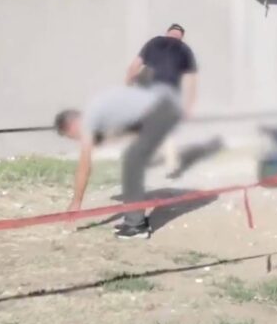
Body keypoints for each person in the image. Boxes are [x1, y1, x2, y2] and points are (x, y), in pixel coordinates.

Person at [55, 85, 182, 239]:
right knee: (132, 160)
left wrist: (76, 202)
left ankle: (136, 226)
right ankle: (134, 219)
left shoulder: (90, 120)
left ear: (71, 126)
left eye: (72, 136)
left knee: (132, 165)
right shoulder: (97, 113)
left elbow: (84, 166)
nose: (76, 139)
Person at [126, 24, 198, 174]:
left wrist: (127, 87)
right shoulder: (185, 49)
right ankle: (171, 166)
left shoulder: (153, 43)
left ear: (167, 33)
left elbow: (134, 67)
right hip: (170, 93)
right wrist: (188, 106)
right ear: (181, 37)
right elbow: (191, 81)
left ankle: (138, 158)